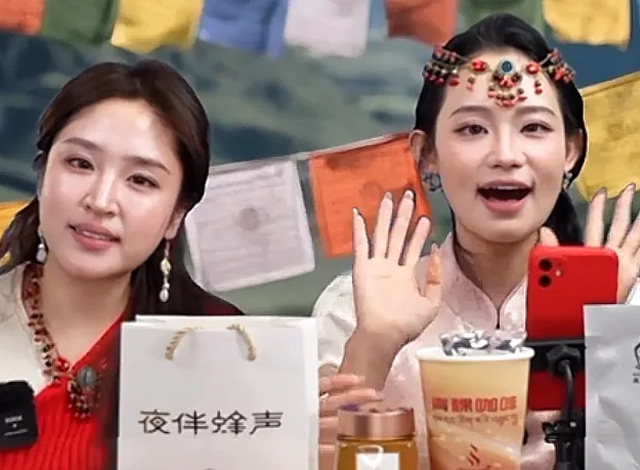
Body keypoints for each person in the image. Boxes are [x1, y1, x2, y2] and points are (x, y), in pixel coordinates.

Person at [314, 13, 640, 470]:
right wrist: (375, 342)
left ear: (570, 150)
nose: (506, 155)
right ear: (426, 153)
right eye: (472, 129)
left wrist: (611, 338)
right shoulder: (354, 308)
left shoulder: (626, 303)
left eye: (534, 128)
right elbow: (319, 458)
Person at [0, 60, 243, 470]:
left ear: (176, 216)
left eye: (141, 180)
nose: (100, 201)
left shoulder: (223, 346)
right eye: (80, 163)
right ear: (42, 176)